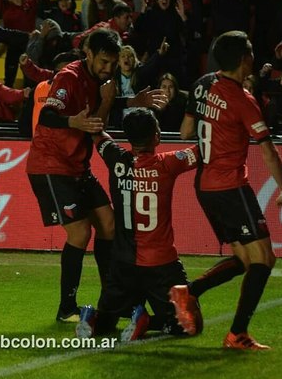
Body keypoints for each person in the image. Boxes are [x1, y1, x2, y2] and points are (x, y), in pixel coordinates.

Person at [25, 28, 167, 322]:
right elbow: (50, 115)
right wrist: (72, 120)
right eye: (103, 61)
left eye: (112, 63)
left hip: (77, 166)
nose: (108, 68)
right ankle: (67, 308)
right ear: (87, 54)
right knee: (80, 232)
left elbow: (101, 109)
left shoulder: (101, 80)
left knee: (109, 225)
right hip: (51, 165)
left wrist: (131, 102)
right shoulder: (69, 77)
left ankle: (111, 300)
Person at [175, 31, 282, 350]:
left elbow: (186, 130)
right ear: (244, 59)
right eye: (252, 53)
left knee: (244, 259)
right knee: (264, 259)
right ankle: (237, 334)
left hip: (204, 186)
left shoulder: (202, 83)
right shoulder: (243, 100)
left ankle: (190, 292)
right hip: (230, 186)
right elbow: (268, 150)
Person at [76, 108, 202, 341]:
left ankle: (91, 318)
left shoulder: (115, 158)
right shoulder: (168, 163)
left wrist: (97, 111)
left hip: (123, 264)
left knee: (108, 320)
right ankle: (146, 321)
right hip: (161, 266)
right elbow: (203, 151)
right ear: (156, 135)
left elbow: (98, 135)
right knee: (189, 324)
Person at [0, 0, 41, 87]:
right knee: (9, 77)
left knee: (29, 77)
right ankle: (7, 97)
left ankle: (29, 97)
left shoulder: (29, 6)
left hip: (28, 45)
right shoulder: (5, 6)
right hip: (13, 45)